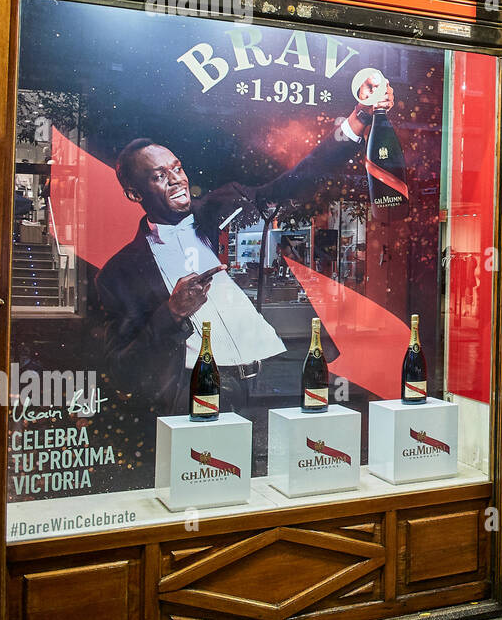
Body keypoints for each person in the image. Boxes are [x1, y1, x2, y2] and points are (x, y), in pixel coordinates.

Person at [95, 87, 395, 418]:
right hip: (203, 388)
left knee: (297, 460)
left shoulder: (228, 205)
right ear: (134, 194)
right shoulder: (119, 274)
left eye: (177, 168)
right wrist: (172, 313)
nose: (176, 180)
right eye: (159, 176)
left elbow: (297, 180)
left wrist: (359, 119)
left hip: (280, 372)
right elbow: (122, 367)